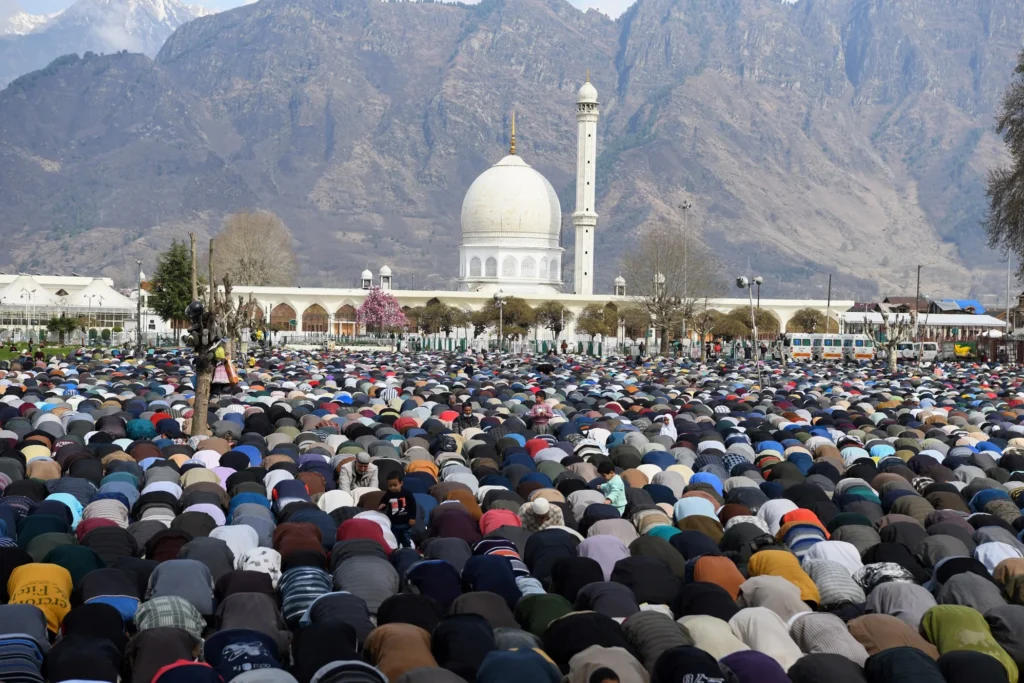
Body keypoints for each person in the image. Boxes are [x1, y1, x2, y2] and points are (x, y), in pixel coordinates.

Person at [378, 472, 416, 548]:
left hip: (405, 522)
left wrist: (412, 518)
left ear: (401, 483)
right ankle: (396, 551)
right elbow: (383, 502)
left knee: (406, 539)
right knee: (395, 540)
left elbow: (413, 506)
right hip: (394, 522)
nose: (393, 488)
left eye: (395, 485)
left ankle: (408, 551)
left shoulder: (407, 493)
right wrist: (382, 505)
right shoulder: (388, 494)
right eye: (390, 486)